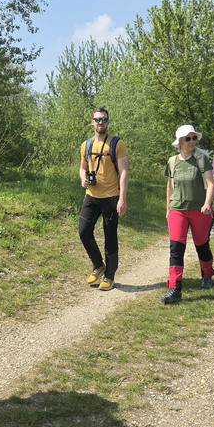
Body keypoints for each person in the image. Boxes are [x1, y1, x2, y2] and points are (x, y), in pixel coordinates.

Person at [162, 124, 214, 303]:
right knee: (176, 248)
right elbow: (169, 185)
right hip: (178, 210)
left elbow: (211, 183)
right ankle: (174, 288)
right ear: (180, 142)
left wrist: (207, 204)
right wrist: (168, 209)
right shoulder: (172, 161)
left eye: (194, 138)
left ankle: (207, 273)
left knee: (202, 246)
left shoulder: (201, 159)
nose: (192, 141)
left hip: (200, 210)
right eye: (188, 138)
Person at [79, 107, 128, 291]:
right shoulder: (86, 145)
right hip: (91, 196)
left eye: (104, 119)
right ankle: (98, 265)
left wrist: (122, 198)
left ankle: (110, 276)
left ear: (108, 122)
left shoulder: (117, 144)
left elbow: (123, 172)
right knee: (84, 231)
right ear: (92, 122)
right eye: (97, 119)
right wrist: (82, 177)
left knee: (110, 237)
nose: (101, 123)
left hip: (111, 197)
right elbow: (83, 167)